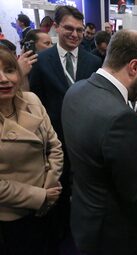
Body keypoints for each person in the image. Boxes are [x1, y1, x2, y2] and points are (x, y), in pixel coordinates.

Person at [62, 29, 137, 255]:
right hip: (113, 232)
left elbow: (96, 127)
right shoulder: (121, 118)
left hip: (84, 215)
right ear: (134, 67)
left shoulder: (76, 90)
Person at [29, 5, 102, 247]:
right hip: (54, 140)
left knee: (84, 187)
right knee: (57, 187)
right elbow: (36, 102)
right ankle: (59, 231)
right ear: (57, 27)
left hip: (84, 139)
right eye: (69, 28)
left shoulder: (93, 62)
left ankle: (81, 228)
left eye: (80, 30)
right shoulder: (41, 60)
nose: (75, 34)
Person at [0, 47, 63, 255]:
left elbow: (54, 146)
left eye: (9, 69)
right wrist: (40, 195)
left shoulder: (32, 100)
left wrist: (50, 186)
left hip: (47, 203)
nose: (4, 79)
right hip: (14, 215)